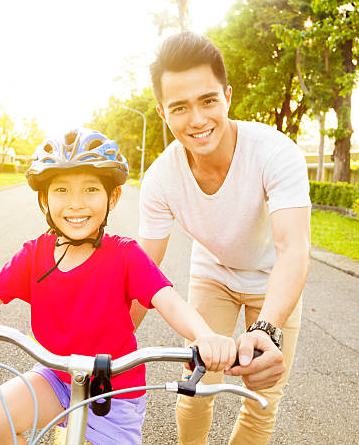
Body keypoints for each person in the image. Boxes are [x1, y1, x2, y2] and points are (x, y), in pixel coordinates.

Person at [0, 128, 239, 445]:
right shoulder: (33, 255)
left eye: (90, 189)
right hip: (56, 377)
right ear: (44, 201)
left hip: (115, 391)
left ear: (113, 196)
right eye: (61, 190)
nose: (76, 203)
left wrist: (204, 336)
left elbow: (170, 301)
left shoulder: (125, 255)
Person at [131, 32, 312, 444]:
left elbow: (293, 249)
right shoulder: (161, 178)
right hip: (214, 274)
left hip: (273, 278)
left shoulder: (275, 152)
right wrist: (109, 341)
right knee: (195, 389)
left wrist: (267, 327)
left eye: (208, 100)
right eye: (180, 107)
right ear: (162, 112)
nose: (197, 120)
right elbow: (143, 269)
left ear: (227, 96)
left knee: (261, 398)